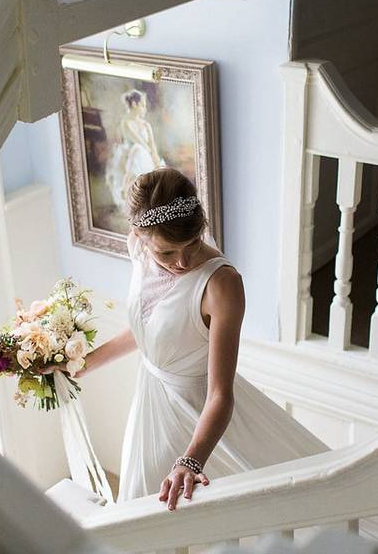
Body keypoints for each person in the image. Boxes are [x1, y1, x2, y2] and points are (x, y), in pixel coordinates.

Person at [53, 167, 327, 509]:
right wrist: (83, 363)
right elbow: (152, 331)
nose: (182, 261)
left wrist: (191, 460)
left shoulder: (222, 285)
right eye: (166, 253)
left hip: (200, 415)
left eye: (193, 243)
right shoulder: (138, 250)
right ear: (137, 234)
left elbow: (220, 393)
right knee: (139, 511)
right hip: (150, 401)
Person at [105, 89, 165, 214]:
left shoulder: (146, 125)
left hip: (144, 155)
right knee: (137, 150)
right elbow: (138, 142)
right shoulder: (126, 123)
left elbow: (151, 146)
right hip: (131, 155)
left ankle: (148, 198)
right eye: (143, 105)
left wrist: (156, 161)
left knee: (147, 158)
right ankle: (128, 190)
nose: (145, 109)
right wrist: (148, 151)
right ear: (134, 104)